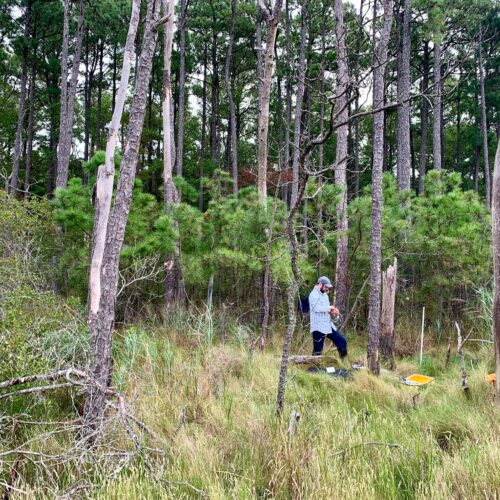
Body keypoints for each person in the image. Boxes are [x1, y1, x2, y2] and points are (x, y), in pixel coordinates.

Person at [308, 276, 348, 358]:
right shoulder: (313, 295)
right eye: (326, 287)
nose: (327, 289)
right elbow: (316, 308)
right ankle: (314, 367)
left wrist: (332, 312)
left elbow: (325, 309)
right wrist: (329, 308)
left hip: (327, 325)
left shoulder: (325, 294)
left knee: (341, 341)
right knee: (317, 350)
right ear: (320, 284)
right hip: (318, 327)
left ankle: (343, 361)